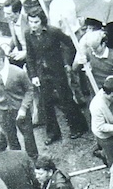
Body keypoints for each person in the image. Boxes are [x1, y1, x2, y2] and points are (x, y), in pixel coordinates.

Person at [25, 11, 89, 141]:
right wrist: (33, 75)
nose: (33, 25)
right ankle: (53, 134)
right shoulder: (28, 35)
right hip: (42, 73)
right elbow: (30, 55)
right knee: (46, 103)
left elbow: (70, 45)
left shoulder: (53, 32)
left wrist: (66, 62)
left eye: (36, 22)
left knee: (65, 99)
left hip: (57, 71)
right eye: (30, 22)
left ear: (42, 21)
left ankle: (78, 127)